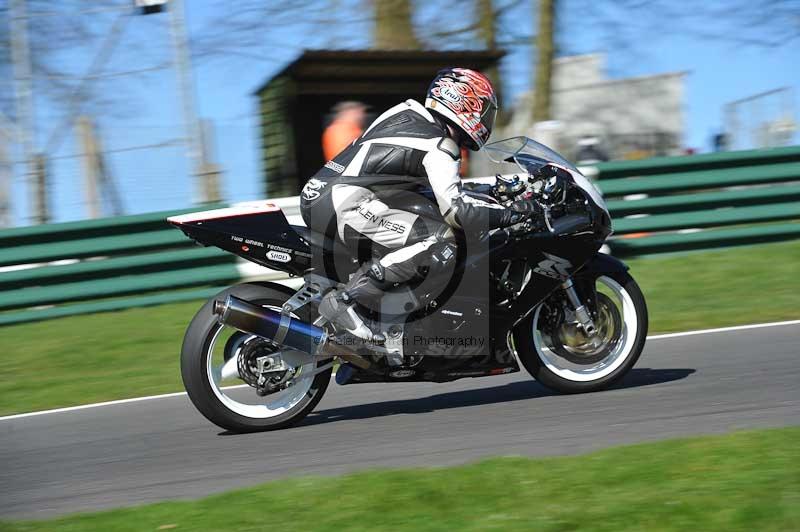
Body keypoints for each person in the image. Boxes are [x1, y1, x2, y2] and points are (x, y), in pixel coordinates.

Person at [300, 68, 534, 341]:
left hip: (328, 194)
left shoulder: (409, 113)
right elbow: (457, 210)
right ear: (463, 103)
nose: (486, 119)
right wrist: (512, 213)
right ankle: (346, 302)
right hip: (344, 201)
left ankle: (393, 315)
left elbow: (434, 188)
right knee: (438, 239)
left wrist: (490, 190)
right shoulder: (440, 144)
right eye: (483, 110)